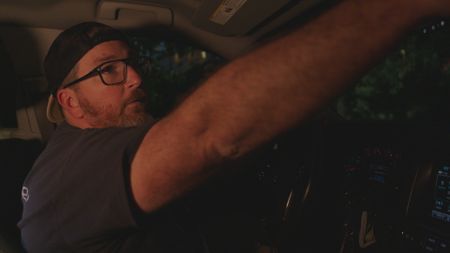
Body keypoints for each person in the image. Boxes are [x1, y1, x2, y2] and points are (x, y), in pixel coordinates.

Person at [18, 0, 450, 252]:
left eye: (131, 63)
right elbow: (209, 136)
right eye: (108, 70)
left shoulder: (86, 158)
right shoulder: (70, 171)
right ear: (70, 101)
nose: (134, 78)